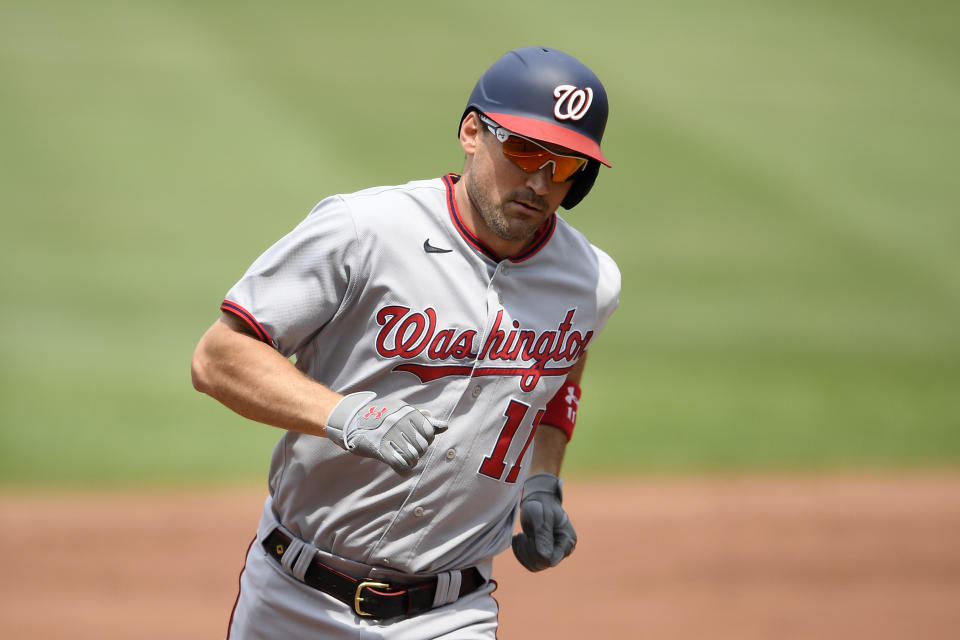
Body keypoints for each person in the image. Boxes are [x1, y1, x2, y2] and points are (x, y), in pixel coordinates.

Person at [191, 45, 621, 639]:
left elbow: (562, 366)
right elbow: (219, 357)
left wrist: (542, 479)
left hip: (451, 614)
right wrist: (344, 414)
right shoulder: (365, 231)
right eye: (524, 149)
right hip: (294, 601)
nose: (540, 181)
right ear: (472, 132)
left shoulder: (589, 280)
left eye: (566, 164)